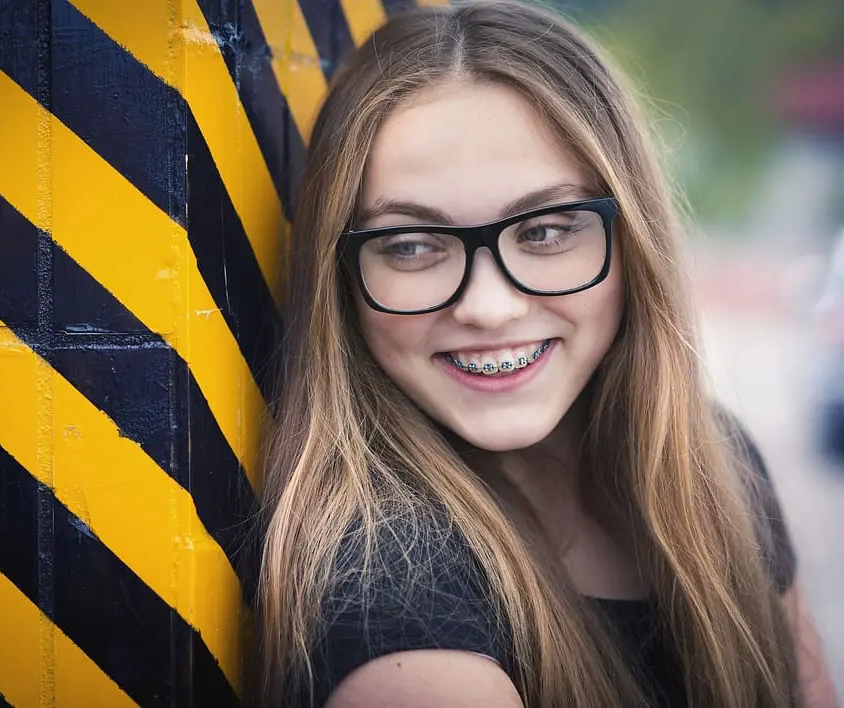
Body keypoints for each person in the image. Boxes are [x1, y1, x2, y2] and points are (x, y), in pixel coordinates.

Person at [250, 2, 839, 707]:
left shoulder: (718, 463)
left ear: (631, 243)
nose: (489, 307)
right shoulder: (393, 600)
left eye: (548, 231)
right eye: (410, 246)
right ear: (340, 280)